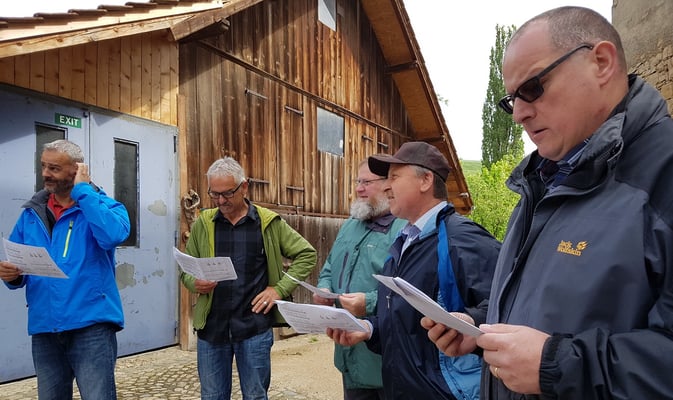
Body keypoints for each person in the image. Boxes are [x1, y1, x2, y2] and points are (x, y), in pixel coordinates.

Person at [422, 6, 673, 399]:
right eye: (511, 100)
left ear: (601, 62)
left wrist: (557, 365)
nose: (519, 114)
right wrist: (479, 328)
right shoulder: (541, 180)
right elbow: (542, 305)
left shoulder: (662, 175)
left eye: (532, 87)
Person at [328, 141, 501, 400]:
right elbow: (403, 323)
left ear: (425, 180)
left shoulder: (462, 238)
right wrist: (368, 328)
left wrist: (471, 321)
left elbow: (507, 307)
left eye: (395, 177)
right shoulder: (404, 242)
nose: (386, 186)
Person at [0, 139, 130, 399]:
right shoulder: (31, 214)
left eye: (55, 168)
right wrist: (11, 276)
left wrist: (83, 191)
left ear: (77, 169)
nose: (46, 173)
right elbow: (17, 261)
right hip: (45, 328)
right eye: (43, 166)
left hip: (91, 327)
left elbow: (113, 236)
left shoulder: (105, 207)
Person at [180, 157, 317, 400]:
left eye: (227, 193)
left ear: (244, 187)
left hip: (254, 328)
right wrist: (195, 283)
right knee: (211, 396)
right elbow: (186, 270)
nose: (221, 201)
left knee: (255, 395)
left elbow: (307, 254)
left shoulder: (268, 223)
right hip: (212, 329)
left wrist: (279, 289)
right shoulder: (204, 223)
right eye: (214, 194)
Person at [314, 159, 406, 400]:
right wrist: (324, 288)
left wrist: (369, 302)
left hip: (385, 361)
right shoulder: (350, 225)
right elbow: (329, 266)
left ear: (388, 185)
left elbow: (410, 289)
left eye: (366, 182)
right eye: (357, 182)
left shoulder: (405, 229)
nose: (358, 189)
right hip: (348, 353)